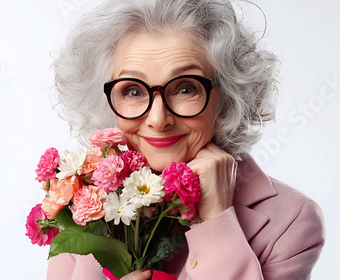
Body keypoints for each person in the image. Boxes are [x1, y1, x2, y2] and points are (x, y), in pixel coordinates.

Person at [47, 0, 325, 279]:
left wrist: (217, 217)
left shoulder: (291, 219)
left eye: (185, 88)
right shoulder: (82, 201)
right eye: (132, 91)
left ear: (227, 95)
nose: (158, 119)